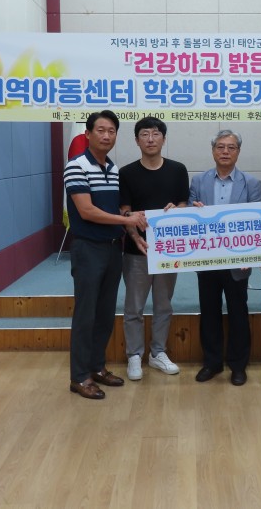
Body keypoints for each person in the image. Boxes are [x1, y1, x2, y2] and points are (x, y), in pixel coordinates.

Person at [64, 110, 146, 400]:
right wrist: (127, 220)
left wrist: (132, 232)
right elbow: (87, 211)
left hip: (113, 249)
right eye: (100, 130)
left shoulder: (112, 168)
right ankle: (79, 377)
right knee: (86, 314)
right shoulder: (76, 166)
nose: (106, 136)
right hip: (88, 249)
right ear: (87, 134)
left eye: (112, 131)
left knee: (105, 314)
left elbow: (115, 211)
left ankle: (96, 367)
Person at [189, 129, 261, 386]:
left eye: (231, 147)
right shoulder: (198, 181)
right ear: (213, 151)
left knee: (238, 313)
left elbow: (255, 223)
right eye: (220, 147)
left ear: (238, 152)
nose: (225, 152)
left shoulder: (251, 183)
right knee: (209, 312)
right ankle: (212, 362)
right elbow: (188, 216)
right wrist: (193, 210)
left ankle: (238, 366)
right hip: (206, 260)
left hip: (237, 262)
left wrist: (250, 256)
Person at [119, 116, 189, 380]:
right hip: (137, 250)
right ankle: (134, 355)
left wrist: (176, 210)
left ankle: (158, 352)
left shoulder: (178, 170)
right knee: (134, 307)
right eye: (145, 134)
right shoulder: (126, 173)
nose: (150, 139)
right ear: (137, 140)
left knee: (163, 305)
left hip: (168, 250)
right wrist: (134, 231)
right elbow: (124, 211)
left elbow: (183, 204)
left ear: (164, 139)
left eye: (156, 134)